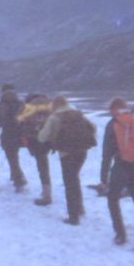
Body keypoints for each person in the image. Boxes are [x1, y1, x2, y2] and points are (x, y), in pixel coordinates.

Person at [99, 98, 134, 251]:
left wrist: (103, 179)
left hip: (121, 166)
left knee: (112, 198)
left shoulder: (113, 123)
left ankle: (120, 234)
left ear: (113, 109)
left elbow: (107, 153)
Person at [38, 96, 94, 226]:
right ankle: (79, 208)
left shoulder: (54, 117)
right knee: (75, 179)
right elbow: (92, 128)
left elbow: (42, 137)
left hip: (67, 153)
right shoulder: (78, 114)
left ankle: (73, 217)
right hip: (82, 151)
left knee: (70, 183)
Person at [17, 93, 54, 206]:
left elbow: (20, 122)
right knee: (44, 164)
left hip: (34, 138)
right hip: (49, 138)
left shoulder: (27, 107)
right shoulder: (51, 105)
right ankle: (46, 191)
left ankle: (47, 195)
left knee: (42, 165)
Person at [0, 83, 27, 191]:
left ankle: (18, 181)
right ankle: (16, 176)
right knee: (15, 156)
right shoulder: (21, 103)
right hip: (21, 133)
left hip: (7, 134)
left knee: (12, 158)